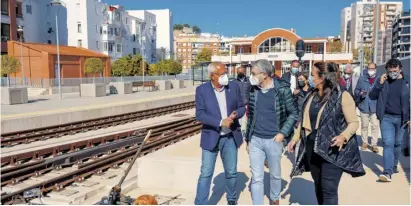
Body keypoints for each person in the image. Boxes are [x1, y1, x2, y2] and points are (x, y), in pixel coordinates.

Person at [288, 62, 365, 205]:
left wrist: (343, 136)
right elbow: (303, 120)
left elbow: (354, 122)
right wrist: (295, 138)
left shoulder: (343, 96)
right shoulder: (311, 95)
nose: (309, 78)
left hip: (332, 149)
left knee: (329, 189)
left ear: (322, 78)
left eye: (312, 75)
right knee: (318, 187)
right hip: (312, 148)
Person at [245, 59, 298, 205]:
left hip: (274, 140)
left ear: (264, 74)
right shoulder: (253, 90)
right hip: (255, 139)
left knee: (275, 174)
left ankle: (274, 198)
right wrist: (248, 139)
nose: (251, 76)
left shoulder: (282, 89)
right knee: (256, 177)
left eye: (254, 73)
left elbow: (293, 113)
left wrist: (282, 133)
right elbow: (251, 116)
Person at [194, 62, 245, 205]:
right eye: (222, 74)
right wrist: (220, 122)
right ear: (212, 76)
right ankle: (200, 203)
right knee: (206, 174)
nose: (225, 77)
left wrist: (236, 114)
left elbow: (242, 107)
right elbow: (200, 114)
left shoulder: (233, 87)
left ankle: (231, 199)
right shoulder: (202, 90)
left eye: (225, 73)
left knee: (231, 172)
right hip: (211, 137)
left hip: (230, 137)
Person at [369, 58, 410, 182]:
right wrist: (379, 84)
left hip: (403, 119)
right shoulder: (383, 80)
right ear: (387, 70)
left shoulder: (407, 80)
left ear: (400, 69)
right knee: (388, 143)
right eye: (390, 70)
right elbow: (372, 96)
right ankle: (387, 172)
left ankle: (394, 164)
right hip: (386, 117)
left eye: (395, 70)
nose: (393, 73)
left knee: (397, 144)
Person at [354, 62, 379, 153]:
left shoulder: (379, 79)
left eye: (372, 69)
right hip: (364, 105)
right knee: (364, 126)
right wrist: (359, 93)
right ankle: (364, 142)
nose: (370, 70)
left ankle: (374, 144)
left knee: (375, 126)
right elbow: (356, 90)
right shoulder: (362, 78)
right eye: (369, 68)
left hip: (374, 106)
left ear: (375, 69)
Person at [233, 66, 251, 135]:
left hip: (247, 104)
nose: (240, 73)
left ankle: (245, 134)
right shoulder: (234, 82)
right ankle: (239, 133)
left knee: (246, 121)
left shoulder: (249, 81)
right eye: (238, 72)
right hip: (237, 105)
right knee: (238, 120)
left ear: (244, 72)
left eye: (241, 71)